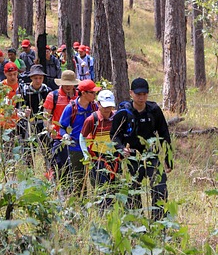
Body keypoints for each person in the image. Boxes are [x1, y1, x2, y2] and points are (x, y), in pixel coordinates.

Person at [110, 77, 173, 221]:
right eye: (138, 94)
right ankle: (138, 222)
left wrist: (168, 159)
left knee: (160, 187)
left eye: (144, 94)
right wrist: (121, 149)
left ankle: (159, 223)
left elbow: (164, 134)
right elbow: (114, 135)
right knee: (133, 191)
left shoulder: (154, 110)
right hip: (131, 156)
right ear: (131, 93)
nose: (141, 97)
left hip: (151, 154)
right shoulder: (123, 113)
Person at [59, 79, 100, 195]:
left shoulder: (95, 107)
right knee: (78, 179)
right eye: (92, 92)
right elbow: (62, 127)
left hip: (92, 147)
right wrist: (65, 135)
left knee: (95, 177)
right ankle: (81, 205)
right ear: (83, 93)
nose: (94, 95)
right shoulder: (71, 108)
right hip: (76, 148)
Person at [80, 90, 119, 207]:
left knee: (114, 189)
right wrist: (86, 155)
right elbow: (82, 137)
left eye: (110, 106)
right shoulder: (92, 119)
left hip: (114, 158)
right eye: (105, 106)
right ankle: (102, 214)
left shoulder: (116, 117)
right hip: (98, 159)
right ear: (98, 104)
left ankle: (113, 214)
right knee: (102, 189)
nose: (108, 109)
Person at [43, 69, 80, 181]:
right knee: (60, 167)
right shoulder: (53, 96)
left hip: (76, 137)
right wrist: (51, 130)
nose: (68, 87)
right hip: (59, 138)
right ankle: (63, 191)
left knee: (76, 169)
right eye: (65, 84)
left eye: (70, 84)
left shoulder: (79, 96)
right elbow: (46, 116)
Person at [18, 64, 51, 163]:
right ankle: (29, 172)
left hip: (44, 125)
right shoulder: (24, 91)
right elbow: (18, 108)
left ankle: (50, 171)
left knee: (47, 150)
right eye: (35, 78)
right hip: (29, 124)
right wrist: (24, 113)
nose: (38, 81)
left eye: (40, 78)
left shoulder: (47, 91)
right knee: (29, 150)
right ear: (31, 78)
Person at [0, 62, 23, 131]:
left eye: (15, 74)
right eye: (10, 75)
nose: (12, 77)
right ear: (5, 73)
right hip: (4, 122)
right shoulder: (0, 87)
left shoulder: (21, 86)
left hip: (19, 122)